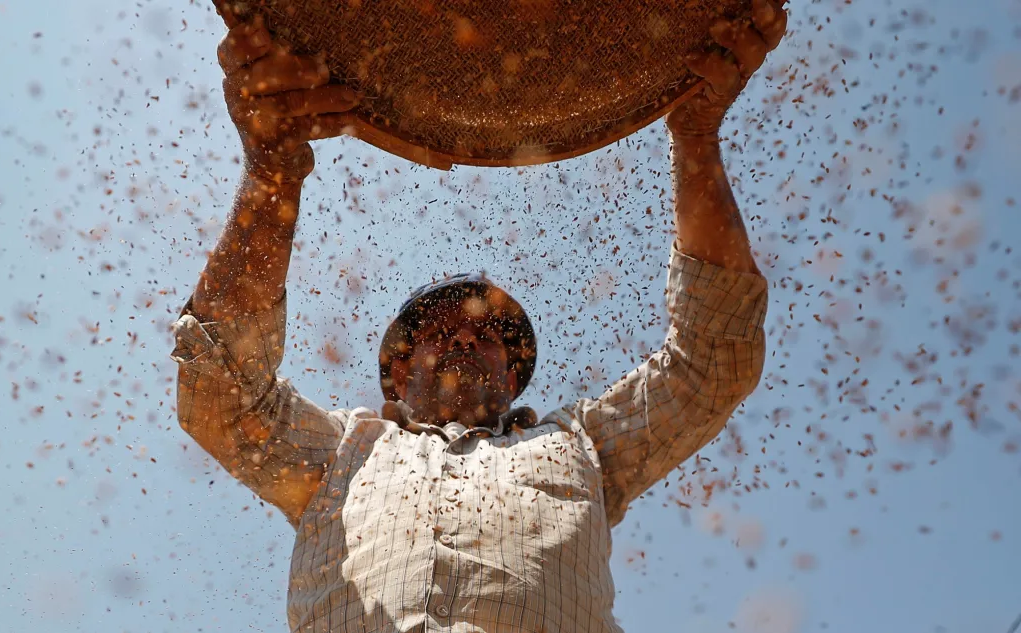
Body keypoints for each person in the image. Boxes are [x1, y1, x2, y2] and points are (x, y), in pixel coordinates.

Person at [170, 2, 787, 631]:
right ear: (398, 369)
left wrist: (696, 134)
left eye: (489, 332)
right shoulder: (337, 456)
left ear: (514, 371)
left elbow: (712, 359)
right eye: (439, 329)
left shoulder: (585, 449)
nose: (466, 333)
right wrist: (272, 171)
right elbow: (219, 395)